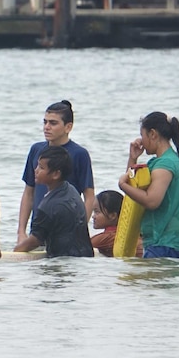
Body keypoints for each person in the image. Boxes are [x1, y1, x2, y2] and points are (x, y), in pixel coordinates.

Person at [17, 100, 95, 244]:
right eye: (45, 122)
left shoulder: (79, 154)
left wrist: (79, 229)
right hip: (38, 231)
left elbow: (89, 197)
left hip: (65, 232)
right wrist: (21, 232)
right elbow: (29, 192)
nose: (46, 127)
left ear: (68, 127)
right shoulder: (36, 150)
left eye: (53, 123)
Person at [118, 111, 179, 259]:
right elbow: (134, 183)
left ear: (153, 134)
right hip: (171, 243)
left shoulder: (165, 165)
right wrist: (133, 158)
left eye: (143, 134)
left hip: (166, 244)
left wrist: (122, 185)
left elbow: (151, 201)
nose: (141, 140)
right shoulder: (161, 162)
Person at [14, 146, 94, 258]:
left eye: (41, 168)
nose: (35, 170)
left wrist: (16, 251)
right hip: (84, 256)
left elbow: (34, 241)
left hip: (63, 260)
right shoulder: (71, 190)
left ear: (56, 174)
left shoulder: (48, 206)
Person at [90, 190, 143, 257]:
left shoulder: (105, 238)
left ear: (113, 216)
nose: (93, 216)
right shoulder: (133, 233)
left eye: (97, 212)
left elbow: (81, 246)